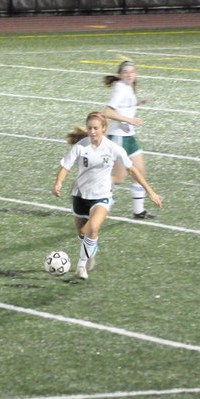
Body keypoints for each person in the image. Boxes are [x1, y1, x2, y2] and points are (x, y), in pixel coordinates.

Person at [52, 112, 162, 280]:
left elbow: (132, 170)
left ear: (104, 128)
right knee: (82, 233)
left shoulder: (113, 148)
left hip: (102, 196)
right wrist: (58, 182)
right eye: (90, 128)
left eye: (96, 128)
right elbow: (65, 166)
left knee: (93, 228)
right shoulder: (80, 147)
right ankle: (92, 250)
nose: (92, 131)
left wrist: (150, 191)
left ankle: (81, 266)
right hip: (80, 195)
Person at [102, 57, 156, 219]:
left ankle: (139, 211)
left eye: (132, 72)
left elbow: (124, 106)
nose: (129, 74)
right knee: (119, 178)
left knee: (139, 173)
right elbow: (108, 112)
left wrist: (137, 103)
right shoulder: (120, 88)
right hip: (118, 137)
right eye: (125, 72)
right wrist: (130, 120)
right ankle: (87, 187)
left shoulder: (128, 87)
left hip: (129, 136)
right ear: (120, 74)